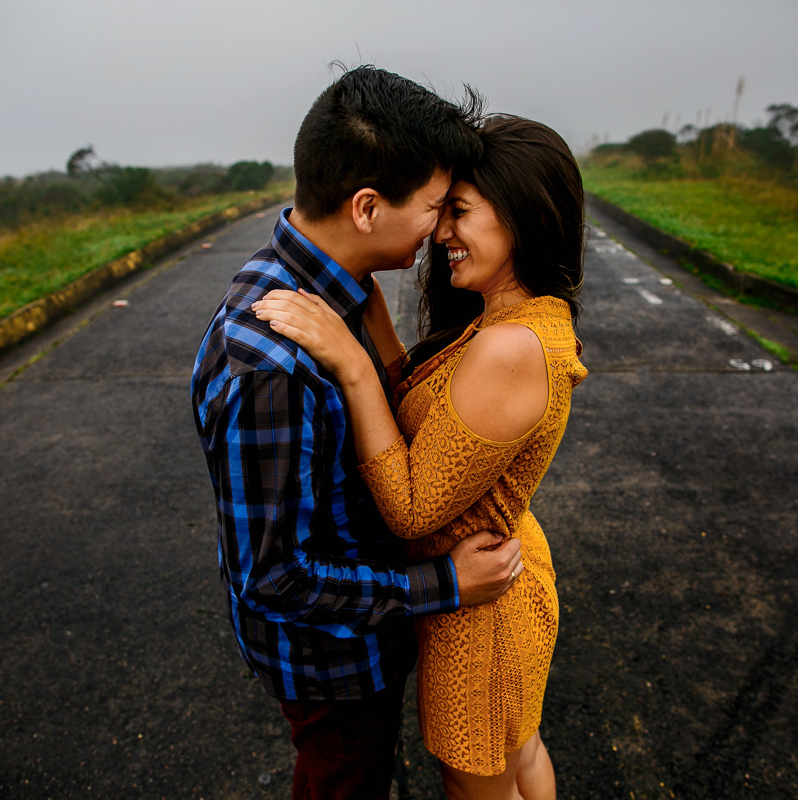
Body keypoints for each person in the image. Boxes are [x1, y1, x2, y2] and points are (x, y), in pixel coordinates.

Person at [189, 67, 524, 800]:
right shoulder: (269, 366)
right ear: (367, 207)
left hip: (359, 640)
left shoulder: (331, 289)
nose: (442, 230)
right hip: (331, 664)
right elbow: (275, 577)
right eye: (436, 208)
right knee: (345, 782)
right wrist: (443, 584)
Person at [252, 114, 588, 800]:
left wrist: (350, 362)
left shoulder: (509, 348)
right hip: (503, 573)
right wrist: (360, 286)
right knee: (520, 757)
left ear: (522, 215)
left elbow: (410, 508)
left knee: (480, 784)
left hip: (481, 615)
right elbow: (437, 415)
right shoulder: (511, 318)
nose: (441, 234)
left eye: (458, 212)